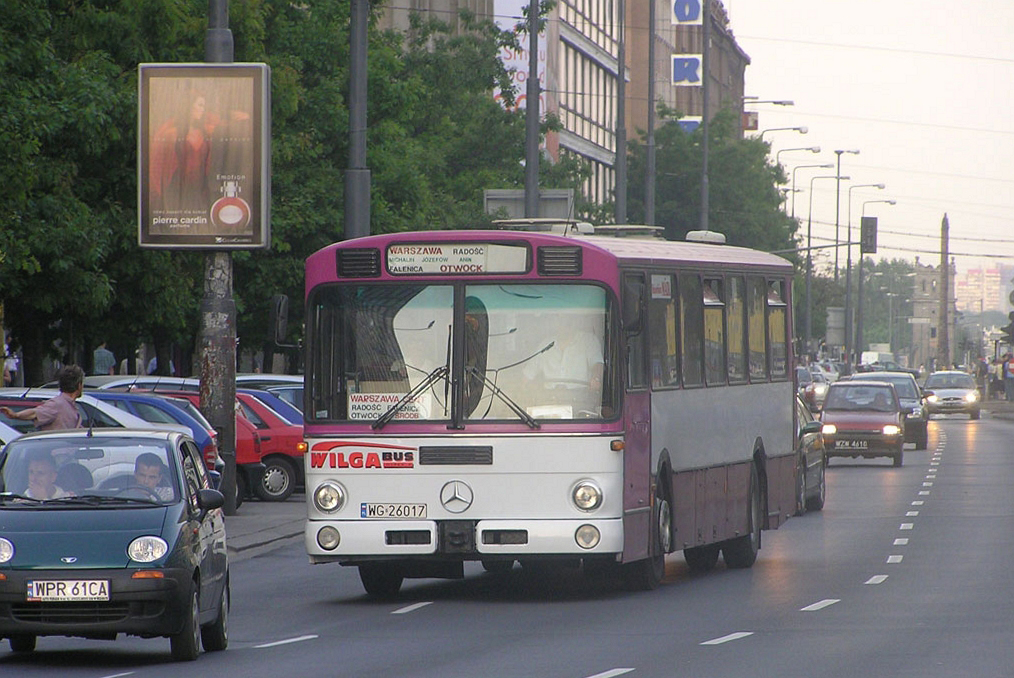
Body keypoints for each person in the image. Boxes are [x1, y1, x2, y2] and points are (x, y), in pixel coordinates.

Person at [0, 365, 84, 430]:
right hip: (56, 451)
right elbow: (35, 413)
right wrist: (15, 415)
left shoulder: (70, 405)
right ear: (79, 385)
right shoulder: (57, 404)